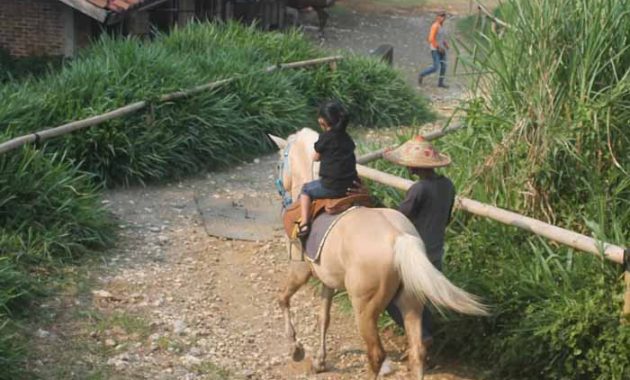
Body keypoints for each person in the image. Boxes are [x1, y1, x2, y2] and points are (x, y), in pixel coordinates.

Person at [383, 135, 456, 347]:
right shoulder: (447, 185)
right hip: (436, 250)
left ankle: (422, 336)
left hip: (417, 254)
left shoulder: (419, 189)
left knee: (391, 299)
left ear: (414, 167)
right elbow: (447, 218)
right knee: (422, 301)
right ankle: (430, 339)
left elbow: (399, 218)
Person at [297, 100, 358, 238]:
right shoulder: (347, 138)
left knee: (305, 190)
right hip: (351, 185)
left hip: (332, 186)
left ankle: (305, 223)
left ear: (323, 121)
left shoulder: (325, 138)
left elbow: (315, 157)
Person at [418, 11, 450, 88]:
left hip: (442, 49)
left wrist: (446, 45)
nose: (442, 18)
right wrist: (438, 47)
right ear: (437, 17)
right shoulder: (435, 26)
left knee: (444, 67)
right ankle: (421, 74)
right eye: (441, 16)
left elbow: (442, 38)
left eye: (444, 16)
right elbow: (431, 39)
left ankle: (440, 83)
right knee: (435, 67)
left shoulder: (441, 26)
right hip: (435, 50)